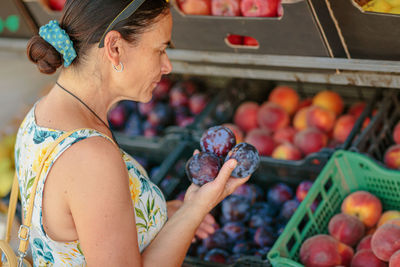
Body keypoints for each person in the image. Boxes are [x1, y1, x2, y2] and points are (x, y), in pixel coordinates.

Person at [15, 0, 250, 266]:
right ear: (115, 47)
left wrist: (166, 214)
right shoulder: (90, 158)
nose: (167, 66)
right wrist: (196, 208)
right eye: (160, 50)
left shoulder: (41, 115)